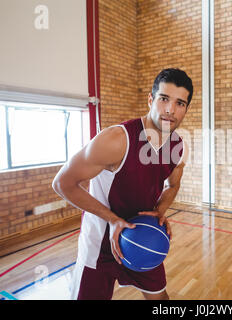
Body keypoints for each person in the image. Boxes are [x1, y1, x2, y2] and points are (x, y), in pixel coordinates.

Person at [52, 68, 193, 300]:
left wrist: (158, 212)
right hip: (100, 244)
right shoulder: (116, 140)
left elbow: (172, 186)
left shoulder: (179, 147)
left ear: (186, 108)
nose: (170, 110)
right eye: (164, 99)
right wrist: (113, 220)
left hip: (142, 238)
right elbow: (63, 183)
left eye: (180, 103)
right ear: (151, 99)